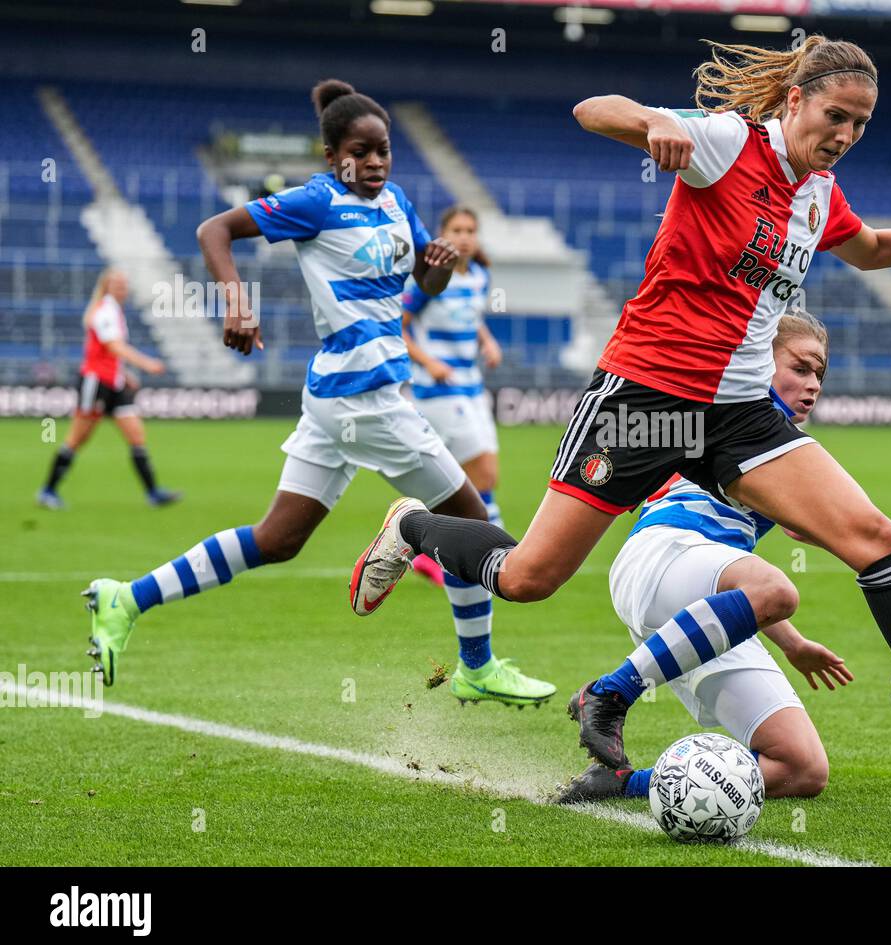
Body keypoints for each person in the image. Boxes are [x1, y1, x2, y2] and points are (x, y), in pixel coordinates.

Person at [352, 38, 891, 794]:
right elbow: (593, 110)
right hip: (645, 396)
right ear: (794, 101)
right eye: (836, 116)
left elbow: (870, 247)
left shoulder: (819, 192)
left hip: (736, 412)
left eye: (861, 124)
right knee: (531, 577)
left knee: (876, 540)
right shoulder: (727, 142)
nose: (846, 136)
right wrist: (653, 125)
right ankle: (411, 525)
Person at [80, 79, 554, 709]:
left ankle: (126, 598)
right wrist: (237, 300)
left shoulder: (396, 203)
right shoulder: (316, 201)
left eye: (385, 149)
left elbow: (425, 285)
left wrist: (437, 263)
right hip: (367, 397)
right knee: (475, 522)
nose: (378, 161)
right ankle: (468, 649)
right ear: (334, 156)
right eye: (364, 150)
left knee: (278, 539)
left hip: (341, 398)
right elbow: (214, 230)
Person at [554, 308, 891, 803]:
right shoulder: (722, 414)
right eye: (800, 368)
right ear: (759, 359)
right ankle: (609, 692)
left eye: (820, 375)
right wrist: (890, 548)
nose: (813, 385)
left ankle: (618, 784)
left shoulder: (780, 444)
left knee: (801, 769)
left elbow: (798, 536)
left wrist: (792, 644)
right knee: (774, 588)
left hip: (697, 599)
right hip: (660, 558)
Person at [400, 205, 504, 592]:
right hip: (438, 390)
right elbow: (400, 327)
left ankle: (428, 549)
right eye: (456, 229)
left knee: (466, 478)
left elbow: (472, 317)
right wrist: (430, 362)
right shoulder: (428, 281)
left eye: (470, 229)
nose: (464, 236)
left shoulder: (478, 276)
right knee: (482, 473)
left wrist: (488, 341)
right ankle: (487, 547)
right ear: (442, 236)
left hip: (472, 386)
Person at [37, 268, 180, 509]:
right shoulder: (105, 310)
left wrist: (124, 373)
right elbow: (113, 347)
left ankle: (153, 493)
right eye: (118, 285)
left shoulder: (113, 311)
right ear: (107, 286)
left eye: (124, 285)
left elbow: (106, 351)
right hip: (96, 383)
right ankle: (48, 490)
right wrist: (146, 364)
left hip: (114, 383)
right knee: (77, 439)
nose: (122, 289)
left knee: (136, 435)